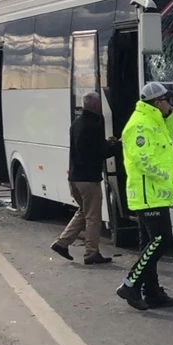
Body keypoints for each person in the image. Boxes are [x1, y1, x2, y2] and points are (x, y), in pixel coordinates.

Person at [115, 81, 173, 311]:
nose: (170, 104)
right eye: (167, 101)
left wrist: (170, 114)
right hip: (148, 195)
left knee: (149, 243)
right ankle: (130, 283)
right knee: (161, 239)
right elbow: (142, 160)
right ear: (157, 102)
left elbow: (168, 136)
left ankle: (151, 292)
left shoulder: (154, 120)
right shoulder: (139, 125)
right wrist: (163, 176)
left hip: (154, 195)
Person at [50, 91, 119, 265]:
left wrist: (106, 143)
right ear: (96, 106)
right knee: (93, 217)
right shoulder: (94, 125)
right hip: (89, 180)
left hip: (74, 178)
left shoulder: (76, 124)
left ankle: (62, 242)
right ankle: (91, 253)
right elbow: (100, 152)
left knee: (84, 211)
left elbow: (86, 148)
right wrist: (116, 145)